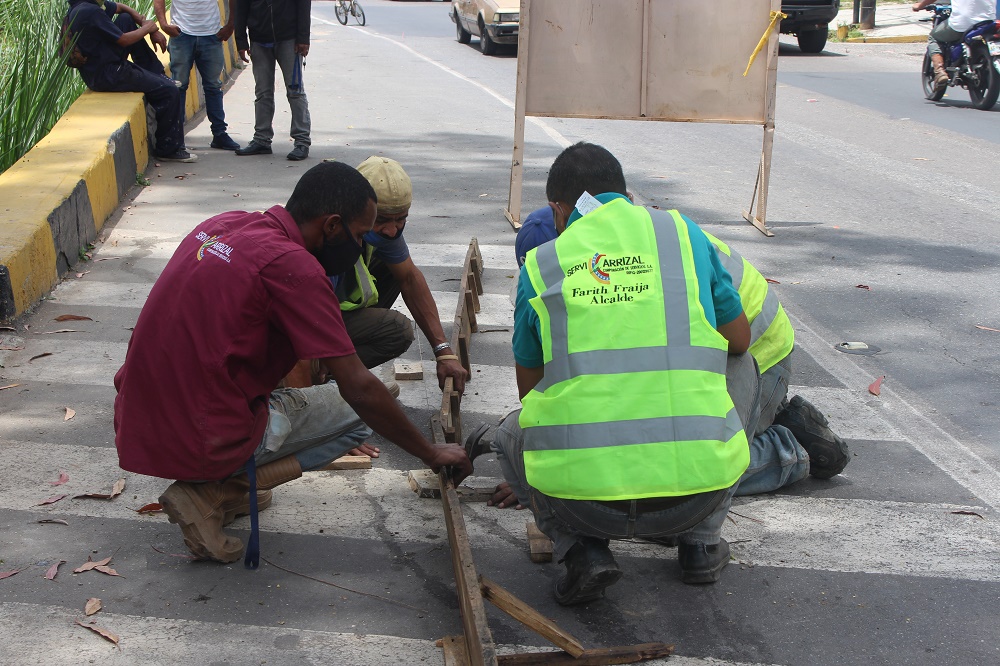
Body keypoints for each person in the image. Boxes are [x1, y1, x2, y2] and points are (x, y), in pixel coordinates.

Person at [113, 161, 472, 563]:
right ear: (332, 226)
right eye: (358, 236)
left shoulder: (223, 225)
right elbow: (359, 388)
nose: (362, 247)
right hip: (200, 435)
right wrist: (430, 453)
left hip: (138, 418)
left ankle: (222, 489)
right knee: (370, 406)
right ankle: (210, 493)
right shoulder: (295, 268)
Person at [489, 142, 762, 606]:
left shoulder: (541, 264)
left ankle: (582, 551)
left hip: (585, 507)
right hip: (692, 498)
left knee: (505, 434)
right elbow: (739, 340)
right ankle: (701, 544)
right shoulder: (680, 233)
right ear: (624, 193)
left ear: (560, 208)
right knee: (743, 363)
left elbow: (529, 394)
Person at [508, 199, 850, 491]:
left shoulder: (615, 268)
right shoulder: (616, 247)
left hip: (759, 355)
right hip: (730, 347)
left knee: (690, 469)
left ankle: (787, 450)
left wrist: (547, 469)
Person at [333, 156, 469, 394]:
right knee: (396, 328)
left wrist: (443, 350)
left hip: (331, 319)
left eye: (401, 219)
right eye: (382, 220)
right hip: (302, 330)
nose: (392, 230)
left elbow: (409, 278)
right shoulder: (328, 238)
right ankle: (329, 383)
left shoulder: (384, 233)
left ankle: (336, 374)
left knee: (392, 271)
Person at [64, 0, 196, 162]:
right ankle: (168, 149)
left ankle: (156, 73)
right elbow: (124, 40)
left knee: (126, 19)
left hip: (104, 63)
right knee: (169, 91)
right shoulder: (90, 12)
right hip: (108, 74)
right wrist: (149, 27)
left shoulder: (84, 6)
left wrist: (142, 21)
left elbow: (120, 7)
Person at [153, 0, 242, 151]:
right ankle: (177, 137)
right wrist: (163, 24)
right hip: (181, 34)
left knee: (213, 87)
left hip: (212, 34)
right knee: (179, 87)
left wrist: (231, 25)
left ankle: (219, 134)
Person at [233, 0, 311, 161]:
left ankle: (302, 142)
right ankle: (262, 140)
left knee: (295, 92)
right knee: (263, 92)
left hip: (290, 40)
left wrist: (303, 37)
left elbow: (303, 5)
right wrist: (240, 40)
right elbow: (240, 7)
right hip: (259, 40)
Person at [912, 0, 997, 90]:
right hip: (987, 23)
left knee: (934, 37)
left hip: (962, 24)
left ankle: (940, 72)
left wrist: (920, 5)